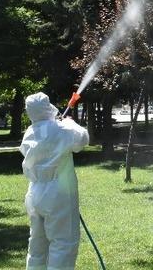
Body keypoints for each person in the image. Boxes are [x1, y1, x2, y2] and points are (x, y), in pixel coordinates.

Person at [20, 92, 89, 270]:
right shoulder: (61, 129)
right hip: (58, 194)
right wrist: (70, 123)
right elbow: (83, 139)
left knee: (37, 244)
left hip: (35, 193)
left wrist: (59, 124)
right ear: (47, 107)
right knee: (63, 244)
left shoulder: (29, 132)